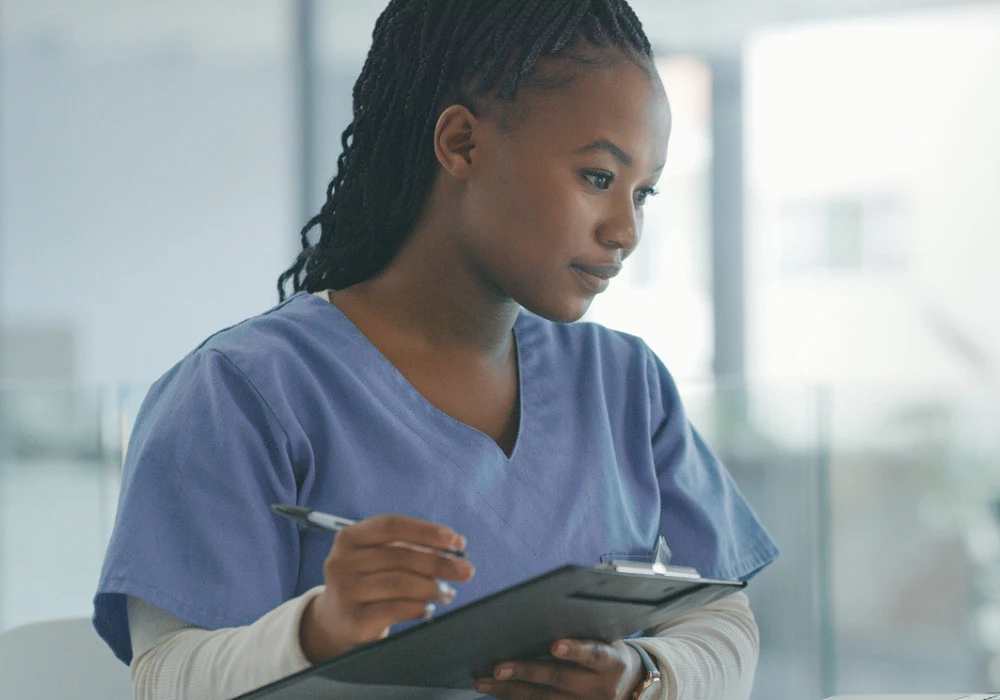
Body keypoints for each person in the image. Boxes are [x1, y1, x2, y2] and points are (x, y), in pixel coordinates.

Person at [93, 1, 779, 698]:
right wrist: (317, 629)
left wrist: (644, 677)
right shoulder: (241, 393)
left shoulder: (626, 386)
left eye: (644, 192)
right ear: (461, 144)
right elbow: (166, 677)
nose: (625, 230)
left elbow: (724, 617)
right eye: (598, 178)